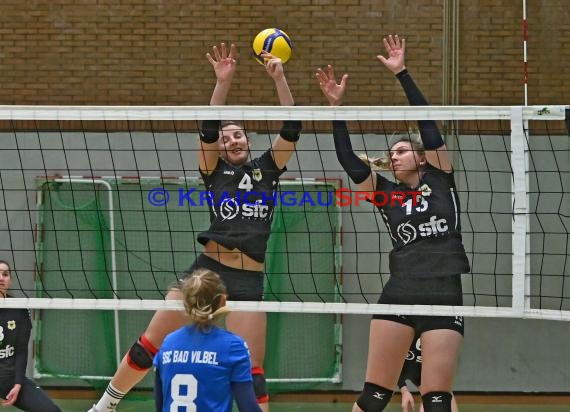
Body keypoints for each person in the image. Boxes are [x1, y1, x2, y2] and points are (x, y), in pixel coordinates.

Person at [89, 43, 301, 412]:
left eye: (238, 135)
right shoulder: (214, 171)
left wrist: (279, 78)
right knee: (149, 343)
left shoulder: (267, 169)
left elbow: (292, 126)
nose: (231, 139)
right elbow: (206, 128)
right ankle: (105, 406)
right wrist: (222, 82)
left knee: (252, 371)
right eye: (226, 137)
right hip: (206, 272)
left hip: (248, 280)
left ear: (248, 141)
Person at [316, 34, 469, 412]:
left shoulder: (440, 177)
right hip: (400, 291)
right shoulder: (387, 194)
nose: (394, 157)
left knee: (436, 399)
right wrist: (337, 109)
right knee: (374, 396)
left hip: (444, 293)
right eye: (391, 153)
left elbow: (429, 126)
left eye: (401, 151)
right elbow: (349, 159)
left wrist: (402, 73)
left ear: (421, 157)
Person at [154, 269, 261, 412]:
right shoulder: (233, 346)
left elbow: (160, 406)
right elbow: (248, 408)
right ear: (223, 301)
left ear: (186, 302)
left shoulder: (168, 343)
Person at [0, 260, 62, 412]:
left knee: (51, 411)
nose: (1, 278)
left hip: (9, 378)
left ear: (11, 280)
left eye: (5, 274)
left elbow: (21, 351)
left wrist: (18, 383)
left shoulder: (19, 308)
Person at [398, 337, 459, 412]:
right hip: (416, 375)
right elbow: (392, 365)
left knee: (446, 401)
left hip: (428, 377)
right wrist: (404, 390)